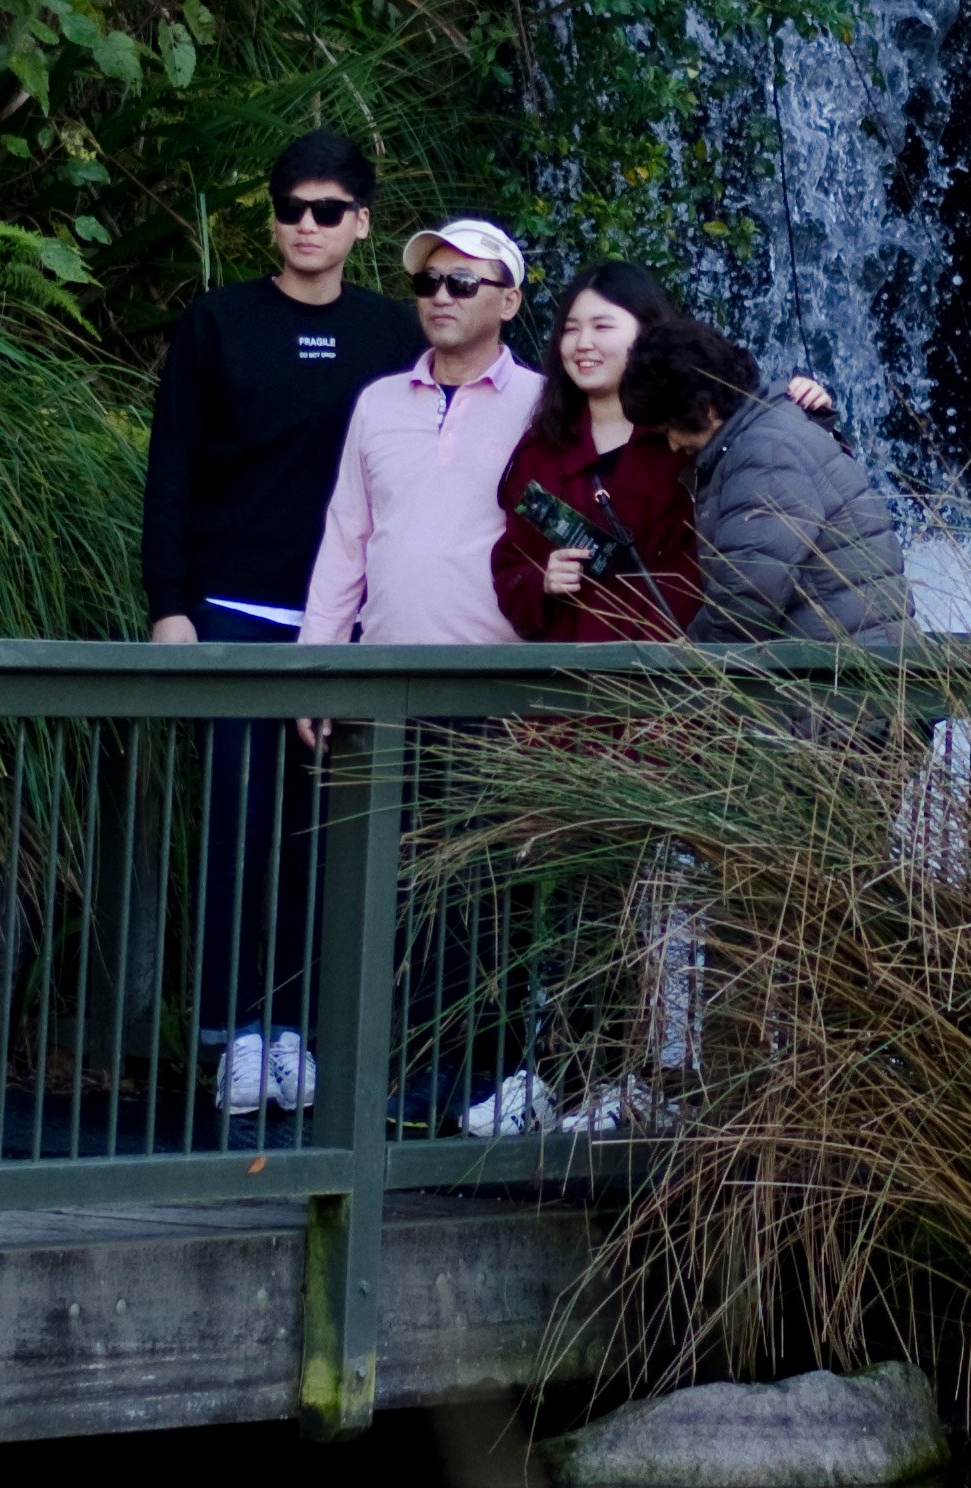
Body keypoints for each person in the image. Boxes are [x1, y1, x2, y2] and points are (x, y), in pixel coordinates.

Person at [136, 132, 422, 1128]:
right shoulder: (219, 322)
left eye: (328, 210)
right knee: (237, 822)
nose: (308, 226)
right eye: (291, 209)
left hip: (345, 623)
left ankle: (299, 1030)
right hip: (234, 607)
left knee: (325, 829)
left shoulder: (394, 333)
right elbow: (171, 464)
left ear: (362, 223)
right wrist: (168, 603)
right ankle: (231, 1036)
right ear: (270, 218)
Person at [299, 214, 541, 652]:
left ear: (509, 302)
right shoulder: (378, 401)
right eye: (428, 283)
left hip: (502, 678)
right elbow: (346, 539)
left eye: (463, 283)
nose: (441, 297)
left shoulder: (544, 405)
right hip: (385, 672)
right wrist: (317, 665)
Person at [635, 317, 919, 648]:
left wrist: (685, 667)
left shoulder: (764, 452)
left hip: (848, 676)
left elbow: (747, 596)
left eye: (669, 429)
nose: (671, 446)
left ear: (704, 408)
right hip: (850, 661)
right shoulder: (769, 427)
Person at [491, 260, 702, 644]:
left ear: (647, 332)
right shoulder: (541, 453)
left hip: (679, 684)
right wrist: (542, 579)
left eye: (602, 326)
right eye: (571, 330)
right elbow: (509, 571)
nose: (583, 343)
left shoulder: (690, 436)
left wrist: (804, 407)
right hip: (571, 689)